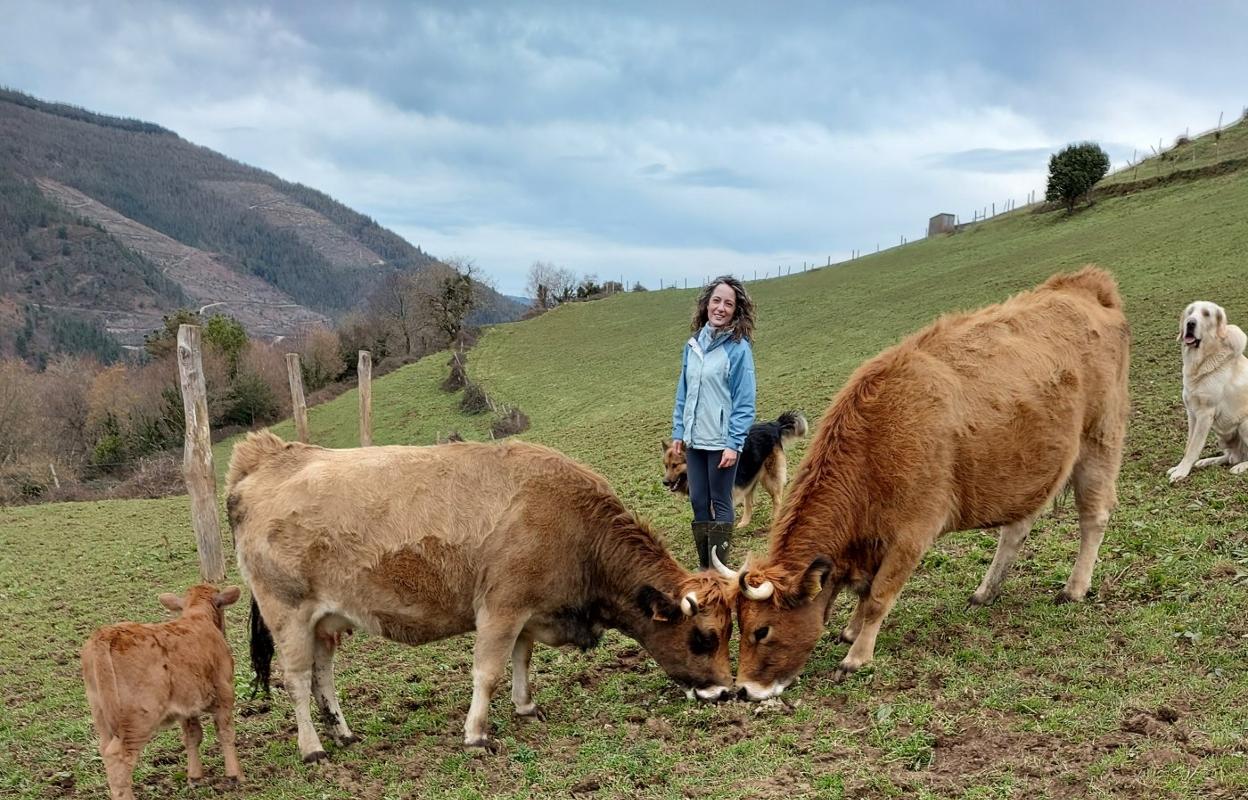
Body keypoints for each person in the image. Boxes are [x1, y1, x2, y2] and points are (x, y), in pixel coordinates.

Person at [669, 275, 757, 569]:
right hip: (694, 440)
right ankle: (705, 566)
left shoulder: (738, 349)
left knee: (721, 502)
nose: (721, 308)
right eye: (716, 301)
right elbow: (684, 390)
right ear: (707, 303)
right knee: (697, 502)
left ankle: (718, 569)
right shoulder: (692, 345)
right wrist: (679, 430)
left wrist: (734, 443)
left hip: (722, 443)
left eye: (728, 304)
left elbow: (745, 403)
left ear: (736, 310)